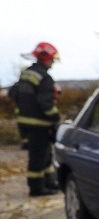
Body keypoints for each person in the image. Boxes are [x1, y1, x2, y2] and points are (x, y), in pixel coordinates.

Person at [10, 42, 62, 197]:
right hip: (40, 124)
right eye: (51, 59)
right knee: (39, 157)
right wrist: (56, 118)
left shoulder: (27, 74)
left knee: (44, 155)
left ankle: (49, 183)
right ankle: (36, 188)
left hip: (25, 123)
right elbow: (45, 104)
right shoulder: (45, 78)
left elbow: (13, 93)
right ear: (44, 58)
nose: (52, 63)